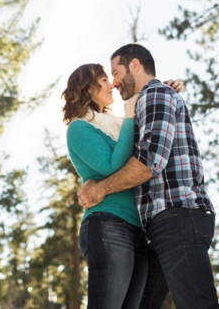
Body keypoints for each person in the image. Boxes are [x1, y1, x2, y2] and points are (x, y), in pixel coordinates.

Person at [77, 44, 219, 309]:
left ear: (135, 65)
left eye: (116, 72)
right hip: (159, 222)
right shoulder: (154, 96)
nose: (114, 82)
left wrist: (101, 189)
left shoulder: (154, 94)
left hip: (176, 214)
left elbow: (149, 162)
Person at [62, 63, 182, 309]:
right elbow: (111, 166)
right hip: (108, 224)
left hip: (137, 230)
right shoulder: (79, 128)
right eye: (103, 80)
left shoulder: (116, 124)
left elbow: (148, 150)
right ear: (87, 87)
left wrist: (164, 92)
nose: (111, 85)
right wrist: (129, 117)